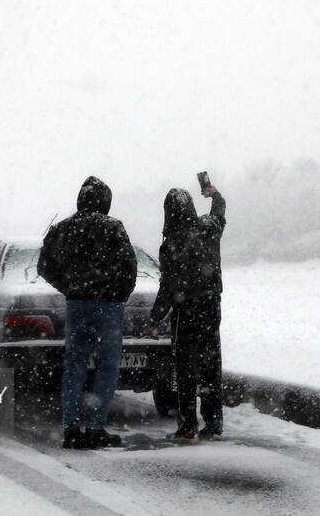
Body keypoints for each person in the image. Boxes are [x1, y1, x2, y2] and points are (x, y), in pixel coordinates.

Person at [38, 176, 137, 449]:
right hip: (108, 306)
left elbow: (44, 266)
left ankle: (71, 427)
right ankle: (95, 426)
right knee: (107, 367)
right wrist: (118, 294)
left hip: (77, 305)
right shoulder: (113, 228)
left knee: (74, 367)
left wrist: (69, 286)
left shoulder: (62, 229)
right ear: (105, 201)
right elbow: (129, 266)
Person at [148, 184, 226, 442]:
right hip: (212, 307)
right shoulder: (209, 228)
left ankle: (188, 425)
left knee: (185, 369)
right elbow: (219, 212)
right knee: (211, 365)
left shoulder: (171, 243)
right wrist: (214, 194)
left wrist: (156, 318)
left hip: (187, 311)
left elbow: (168, 286)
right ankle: (213, 423)